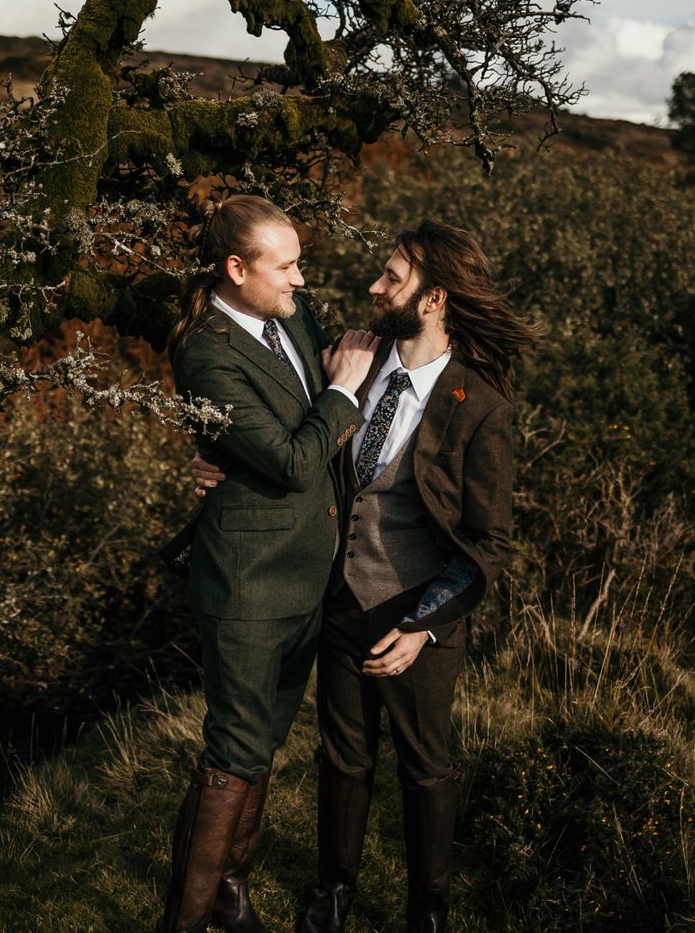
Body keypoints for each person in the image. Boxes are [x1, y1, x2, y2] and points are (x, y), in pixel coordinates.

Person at [193, 221, 534, 933]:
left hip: (417, 614)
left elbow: (488, 542)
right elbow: (287, 430)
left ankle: (429, 910)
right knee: (343, 755)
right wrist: (214, 462)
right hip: (338, 600)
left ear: (434, 298)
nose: (374, 288)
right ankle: (333, 890)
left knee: (425, 764)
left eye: (392, 278)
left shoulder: (483, 405)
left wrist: (424, 626)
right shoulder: (354, 357)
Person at [159, 194, 379, 933]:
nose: (300, 280)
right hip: (248, 583)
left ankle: (229, 894)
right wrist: (344, 389)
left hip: (304, 576)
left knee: (260, 746)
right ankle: (183, 921)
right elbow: (290, 460)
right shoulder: (206, 352)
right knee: (235, 749)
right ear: (235, 268)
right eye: (285, 265)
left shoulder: (290, 318)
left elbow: (296, 414)